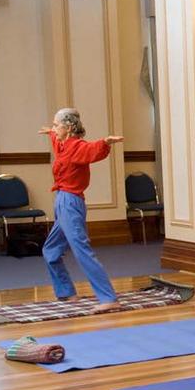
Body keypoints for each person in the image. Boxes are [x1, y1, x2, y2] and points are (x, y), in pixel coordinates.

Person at [38, 108, 124, 312]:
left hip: (70, 203)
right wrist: (51, 132)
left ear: (68, 128)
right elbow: (57, 142)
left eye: (56, 125)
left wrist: (105, 142)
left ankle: (109, 298)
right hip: (61, 201)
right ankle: (66, 293)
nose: (54, 128)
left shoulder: (77, 147)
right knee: (50, 250)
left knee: (82, 250)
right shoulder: (62, 144)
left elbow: (93, 149)